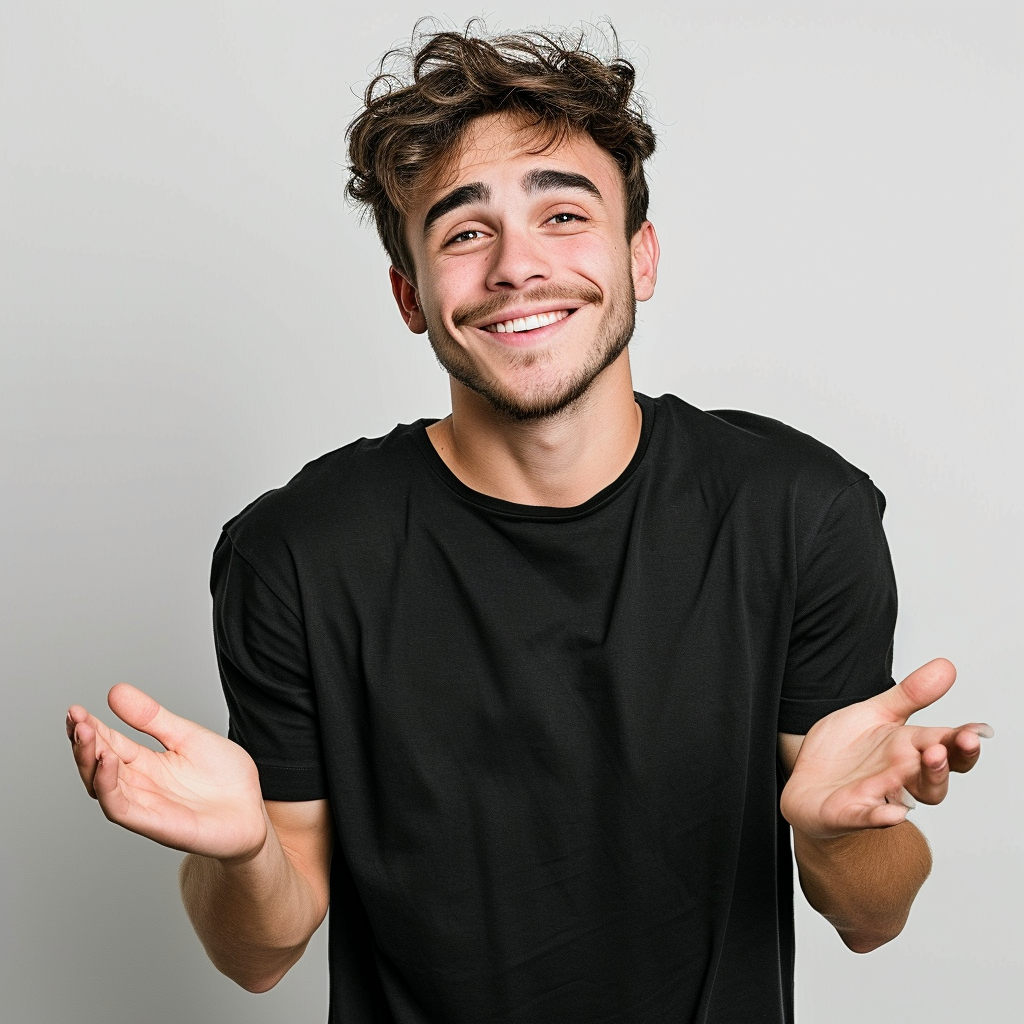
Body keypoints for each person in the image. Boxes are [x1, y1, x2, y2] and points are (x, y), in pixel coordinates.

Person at [66, 24, 992, 1024]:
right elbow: (258, 954)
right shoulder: (298, 552)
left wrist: (836, 834)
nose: (516, 265)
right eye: (464, 232)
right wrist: (245, 852)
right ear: (409, 295)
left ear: (640, 256)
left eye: (561, 213)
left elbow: (870, 917)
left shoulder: (799, 512)